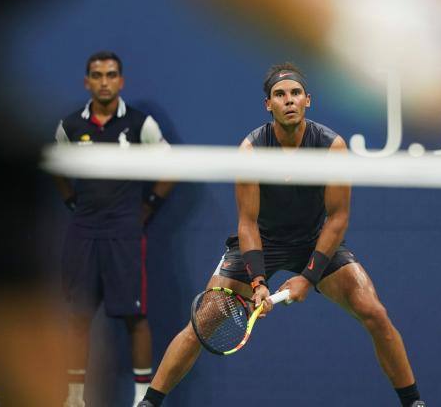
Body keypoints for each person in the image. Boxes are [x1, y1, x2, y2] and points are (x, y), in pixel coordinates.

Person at [137, 62, 425, 407]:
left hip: (315, 240)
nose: (288, 100)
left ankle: (413, 403)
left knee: (373, 311)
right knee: (203, 323)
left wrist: (307, 277)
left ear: (307, 101)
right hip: (263, 240)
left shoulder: (331, 146)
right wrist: (258, 282)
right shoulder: (252, 150)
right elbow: (247, 223)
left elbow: (338, 218)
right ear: (268, 105)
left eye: (295, 93)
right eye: (280, 95)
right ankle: (149, 403)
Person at [54, 51, 175, 407]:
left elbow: (172, 166)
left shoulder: (140, 124)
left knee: (135, 317)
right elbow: (53, 165)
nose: (104, 81)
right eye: (97, 75)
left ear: (121, 81)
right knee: (77, 318)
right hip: (84, 232)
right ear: (87, 82)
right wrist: (72, 203)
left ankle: (142, 399)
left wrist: (148, 205)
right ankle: (74, 398)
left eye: (110, 75)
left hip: (124, 231)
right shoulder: (71, 126)